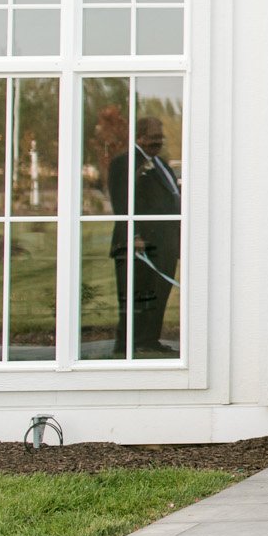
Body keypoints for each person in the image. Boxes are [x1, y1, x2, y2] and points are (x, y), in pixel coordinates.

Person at [109, 115, 181, 356]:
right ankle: (128, 345)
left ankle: (150, 340)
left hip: (165, 244)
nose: (157, 142)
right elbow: (122, 203)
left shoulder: (162, 165)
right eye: (152, 138)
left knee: (158, 295)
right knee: (136, 297)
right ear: (139, 137)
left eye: (160, 138)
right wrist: (133, 235)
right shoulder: (125, 163)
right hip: (140, 244)